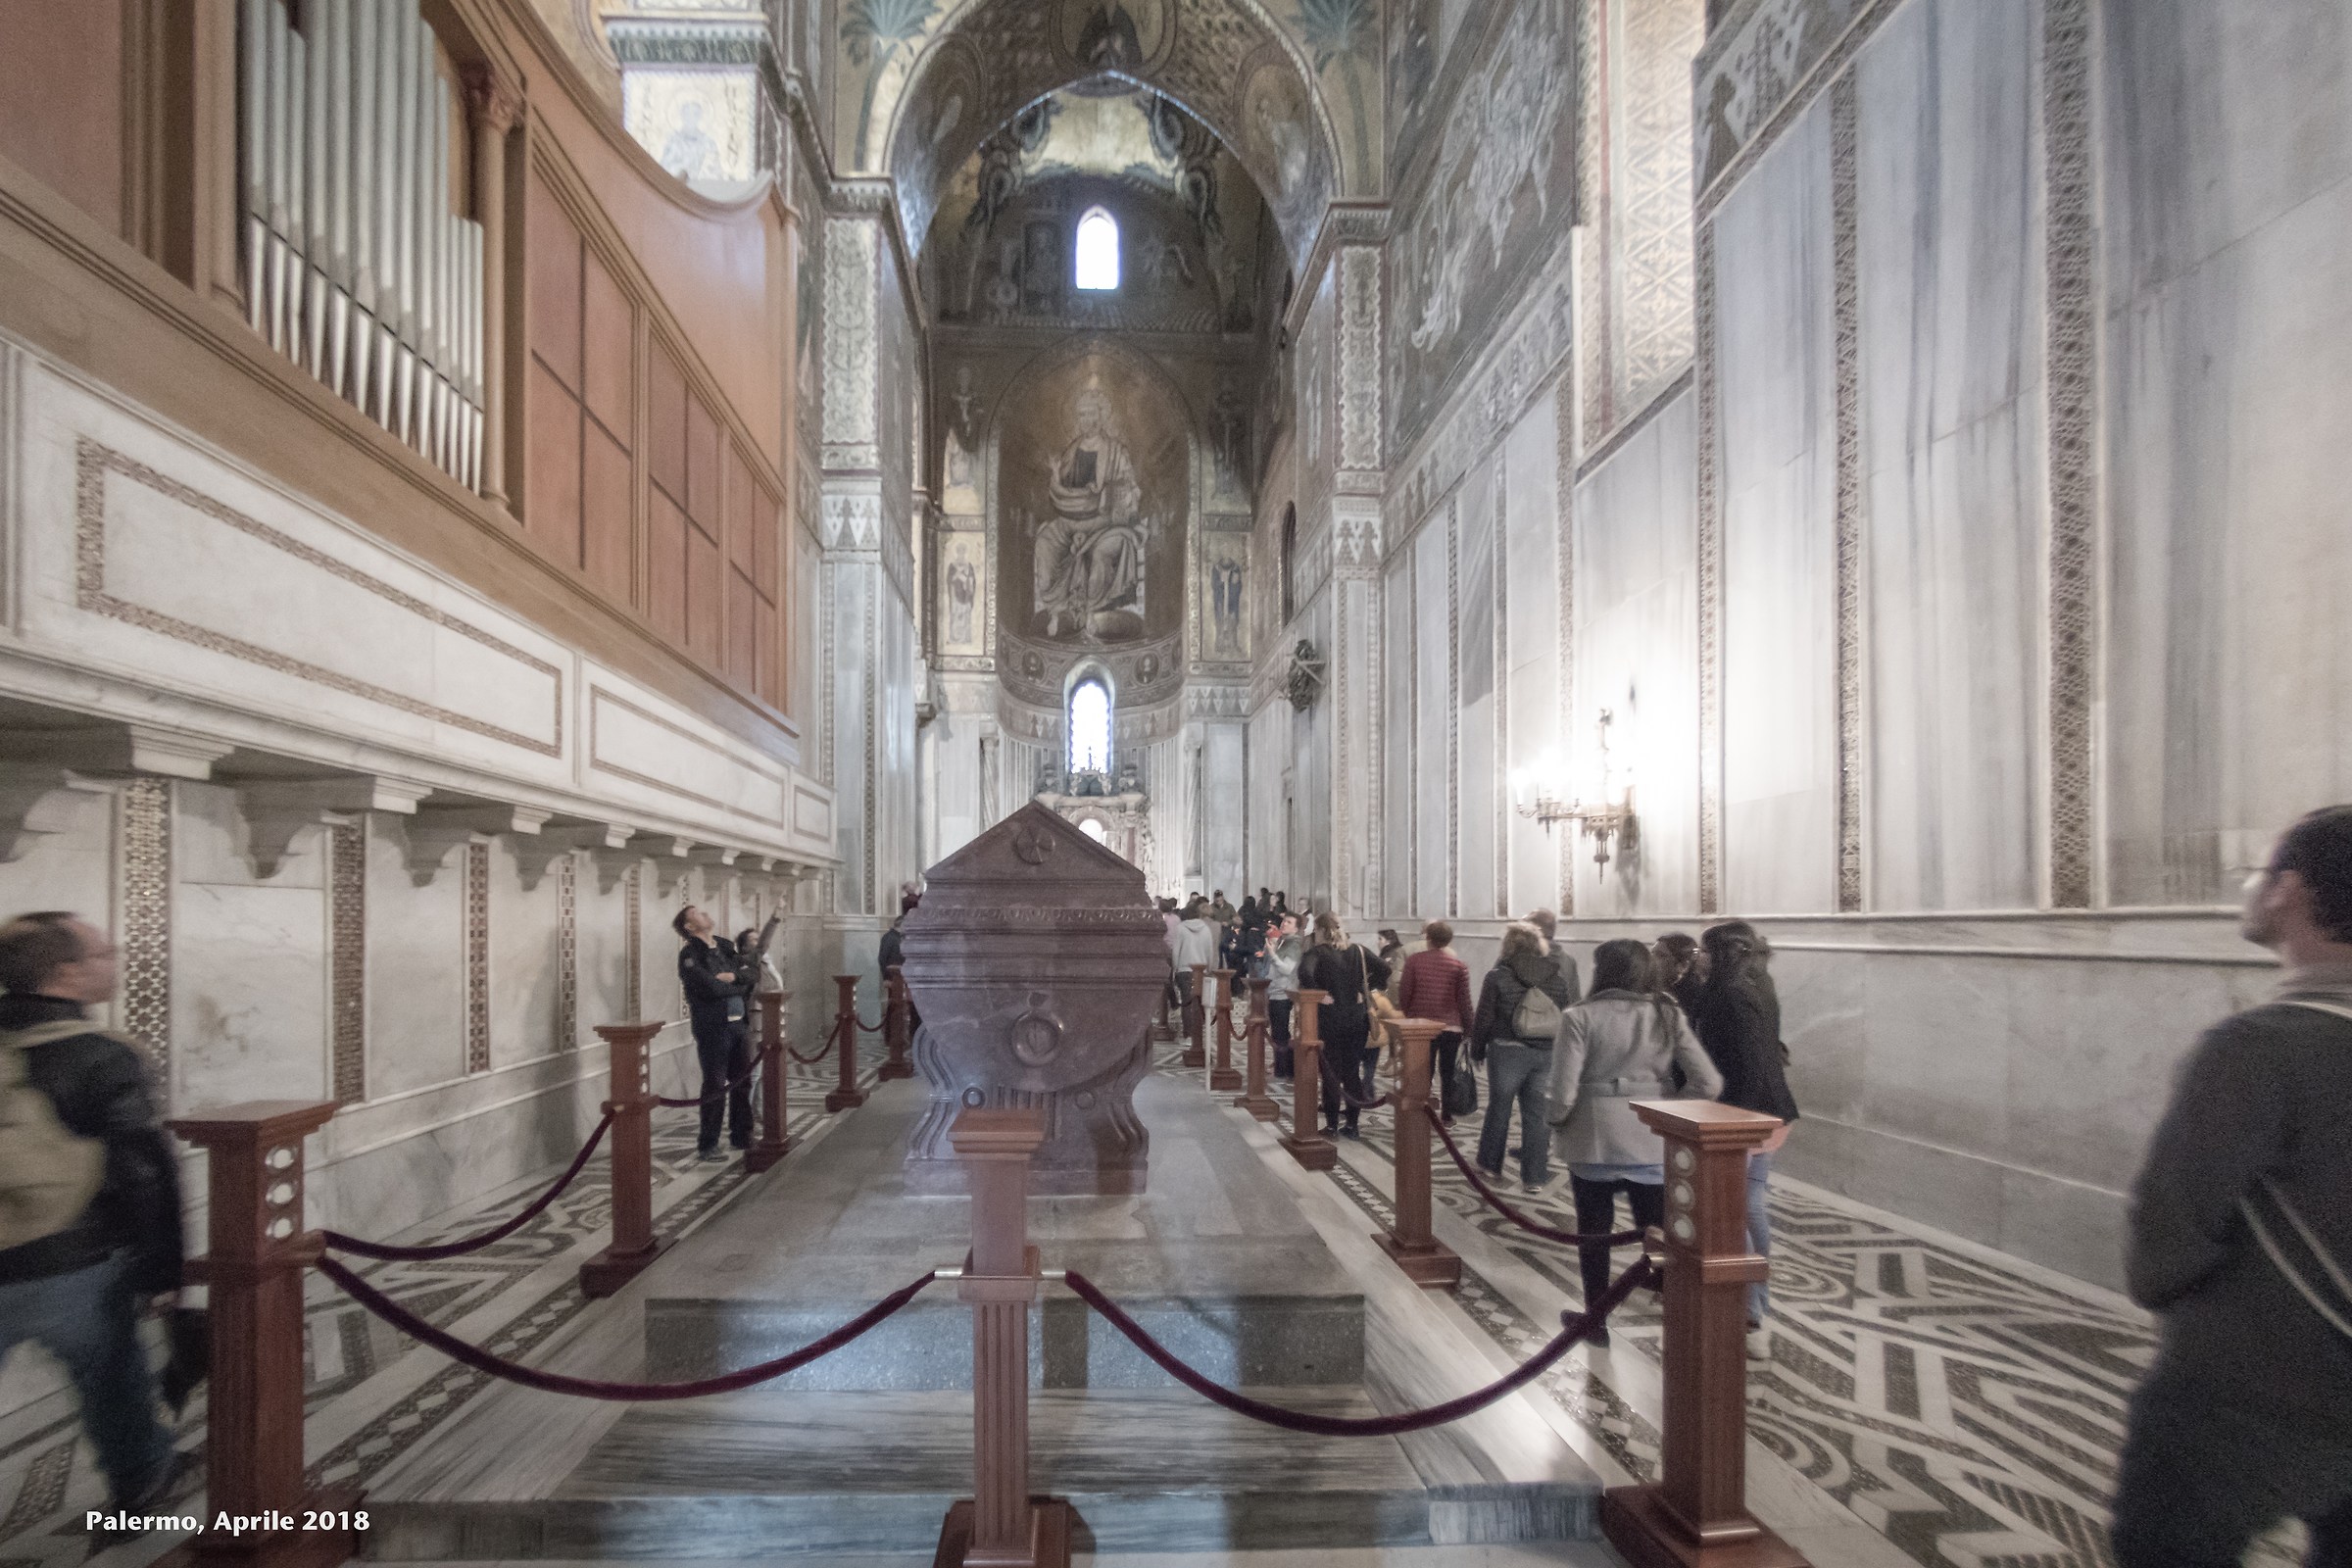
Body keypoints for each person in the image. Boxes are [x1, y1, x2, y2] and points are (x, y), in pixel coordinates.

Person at [2109, 807, 2352, 1568]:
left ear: (2291, 889)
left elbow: (2167, 1236)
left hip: (2243, 1395)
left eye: (2259, 873)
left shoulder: (2260, 1048)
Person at [0, 913, 183, 1531]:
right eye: (103, 954)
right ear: (66, 972)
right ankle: (141, 1485)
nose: (114, 962)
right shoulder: (102, 1054)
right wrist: (163, 1270)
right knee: (113, 1381)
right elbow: (144, 1172)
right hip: (70, 1260)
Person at [1547, 940, 1723, 1345]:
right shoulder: (1667, 1014)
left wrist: (1555, 1120)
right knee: (1661, 1235)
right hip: (1650, 1139)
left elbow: (1563, 1091)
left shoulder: (1580, 1016)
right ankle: (1679, 1323)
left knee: (1594, 1236)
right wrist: (1668, 1110)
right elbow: (1708, 1083)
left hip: (1594, 1141)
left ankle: (1596, 1322)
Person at [1689, 919, 1798, 1359]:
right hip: (1770, 1109)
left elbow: (1749, 1061)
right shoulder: (1758, 982)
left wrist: (1734, 1122)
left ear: (1722, 953)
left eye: (1704, 950)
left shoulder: (1729, 993)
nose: (1699, 958)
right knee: (1750, 1207)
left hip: (1746, 1114)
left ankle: (1750, 1314)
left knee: (1735, 1211)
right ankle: (1757, 1304)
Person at [1470, 921, 1577, 1193]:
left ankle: (1489, 1165)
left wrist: (1477, 1049)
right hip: (1545, 1052)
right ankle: (1535, 1177)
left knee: (1499, 1108)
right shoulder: (1556, 978)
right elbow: (1566, 1016)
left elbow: (1484, 1017)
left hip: (1507, 1049)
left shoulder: (1497, 976)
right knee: (1538, 1115)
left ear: (1508, 945)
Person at [1298, 911, 1391, 1139]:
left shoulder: (1317, 952)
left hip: (1330, 1018)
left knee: (1331, 1071)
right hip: (1357, 1019)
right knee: (1351, 1072)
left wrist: (1319, 994)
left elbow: (1305, 973)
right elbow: (1385, 969)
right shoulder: (1358, 950)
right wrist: (1364, 989)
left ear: (1321, 930)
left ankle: (1331, 1125)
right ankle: (1352, 1125)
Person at [675, 906, 754, 1159]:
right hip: (714, 1028)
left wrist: (734, 979)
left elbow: (750, 975)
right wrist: (737, 984)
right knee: (715, 1084)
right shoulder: (690, 955)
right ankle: (708, 1144)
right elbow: (710, 988)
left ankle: (741, 1135)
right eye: (697, 913)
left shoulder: (725, 947)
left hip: (739, 1024)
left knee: (742, 1082)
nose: (706, 913)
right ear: (689, 927)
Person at [1397, 920, 1474, 1127]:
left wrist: (1410, 1014)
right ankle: (1446, 1115)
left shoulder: (1414, 961)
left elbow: (1405, 992)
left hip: (1422, 1026)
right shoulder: (1458, 966)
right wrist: (1469, 1028)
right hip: (1451, 1027)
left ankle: (1422, 1111)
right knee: (1447, 1072)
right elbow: (1464, 1001)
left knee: (1423, 1070)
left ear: (1428, 938)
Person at [1261, 915, 1302, 1078]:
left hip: (1283, 992)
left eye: (1289, 922)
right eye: (1284, 921)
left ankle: (1284, 1069)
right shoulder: (1283, 941)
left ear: (1296, 928)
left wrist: (1272, 953)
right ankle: (1283, 1067)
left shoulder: (1294, 944)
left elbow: (1287, 969)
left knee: (1280, 1034)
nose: (1284, 923)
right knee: (1279, 1033)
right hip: (1275, 991)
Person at [1651, 931, 1705, 1019]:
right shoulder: (1648, 991)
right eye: (1652, 953)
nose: (1651, 960)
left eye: (1660, 955)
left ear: (1683, 965)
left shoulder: (1695, 1001)